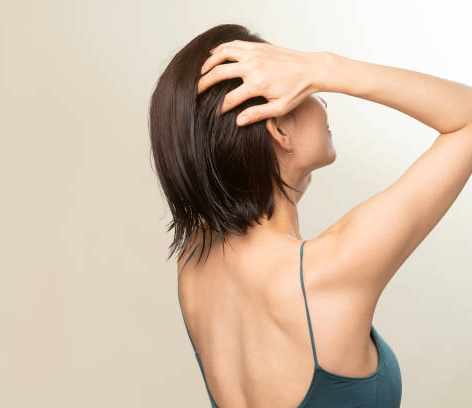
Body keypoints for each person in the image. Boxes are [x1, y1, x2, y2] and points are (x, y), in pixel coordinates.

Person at [148, 23, 472, 407]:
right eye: (306, 90)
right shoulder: (330, 270)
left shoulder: (193, 263)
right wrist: (324, 67)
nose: (323, 101)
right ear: (279, 128)